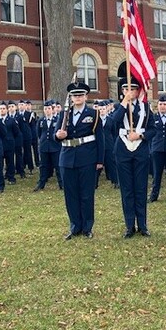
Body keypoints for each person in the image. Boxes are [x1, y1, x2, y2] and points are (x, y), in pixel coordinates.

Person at [55, 83, 104, 239]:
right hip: (67, 157)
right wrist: (58, 136)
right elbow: (55, 136)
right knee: (71, 194)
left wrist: (100, 160)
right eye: (75, 96)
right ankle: (75, 226)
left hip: (87, 158)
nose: (78, 98)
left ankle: (87, 227)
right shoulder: (64, 115)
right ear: (71, 97)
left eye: (80, 95)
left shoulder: (93, 114)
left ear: (86, 97)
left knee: (86, 194)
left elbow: (100, 139)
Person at [111, 78, 155, 238]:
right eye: (126, 89)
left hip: (140, 150)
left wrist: (141, 135)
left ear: (138, 91)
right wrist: (124, 103)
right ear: (122, 91)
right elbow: (112, 123)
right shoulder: (118, 107)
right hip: (123, 150)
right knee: (127, 190)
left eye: (133, 89)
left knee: (140, 188)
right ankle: (130, 225)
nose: (130, 92)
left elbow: (153, 129)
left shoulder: (146, 108)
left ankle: (142, 225)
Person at [34, 100, 62, 191]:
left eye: (49, 108)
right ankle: (41, 184)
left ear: (52, 109)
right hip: (44, 146)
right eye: (45, 109)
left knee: (58, 166)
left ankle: (61, 184)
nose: (47, 110)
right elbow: (38, 132)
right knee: (43, 166)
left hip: (55, 146)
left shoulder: (57, 120)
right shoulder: (41, 120)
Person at [0, 101, 20, 185]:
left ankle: (11, 177)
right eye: (0, 109)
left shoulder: (11, 120)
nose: (2, 110)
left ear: (7, 110)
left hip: (9, 144)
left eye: (4, 109)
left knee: (10, 162)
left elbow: (16, 132)